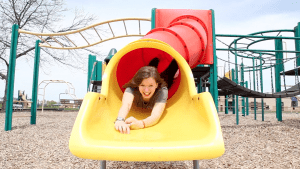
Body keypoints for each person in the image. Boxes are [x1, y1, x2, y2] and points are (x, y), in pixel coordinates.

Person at [114, 66, 168, 134]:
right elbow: (126, 105)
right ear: (138, 84)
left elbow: (155, 115)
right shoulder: (131, 88)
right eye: (142, 85)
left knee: (168, 75)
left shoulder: (162, 91)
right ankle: (154, 63)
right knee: (149, 74)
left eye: (150, 86)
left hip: (166, 80)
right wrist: (120, 120)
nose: (146, 90)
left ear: (156, 85)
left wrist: (140, 123)